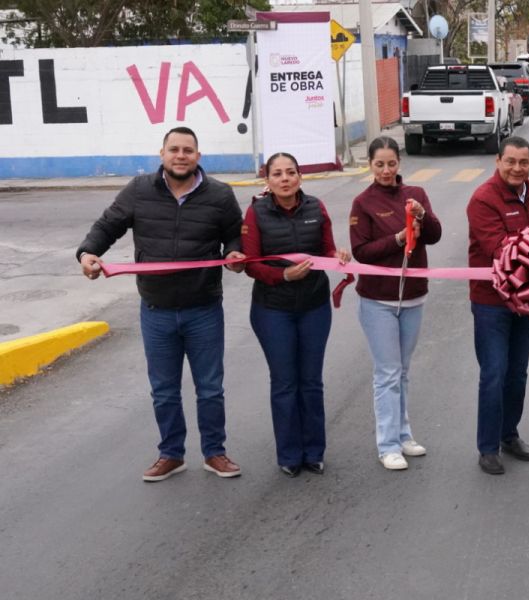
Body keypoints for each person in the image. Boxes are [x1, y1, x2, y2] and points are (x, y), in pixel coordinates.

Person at [77, 126, 246, 482]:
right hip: (156, 310)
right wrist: (89, 252)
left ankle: (215, 452)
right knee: (164, 390)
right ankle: (171, 453)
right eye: (174, 149)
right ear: (162, 154)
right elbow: (109, 225)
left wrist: (233, 252)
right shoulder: (139, 190)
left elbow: (235, 233)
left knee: (211, 387)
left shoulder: (219, 194)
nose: (180, 155)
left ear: (198, 157)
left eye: (188, 150)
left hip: (204, 309)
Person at [242, 152, 350, 477]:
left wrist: (338, 255)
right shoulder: (256, 212)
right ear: (268, 180)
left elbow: (328, 248)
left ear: (300, 177)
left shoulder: (317, 208)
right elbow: (251, 264)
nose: (285, 179)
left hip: (314, 306)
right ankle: (289, 455)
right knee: (285, 383)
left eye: (291, 172)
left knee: (311, 382)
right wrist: (282, 277)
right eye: (278, 174)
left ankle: (314, 452)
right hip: (272, 309)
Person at [350, 136, 442, 471]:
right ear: (370, 165)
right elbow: (361, 252)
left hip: (413, 295)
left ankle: (404, 435)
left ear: (399, 163)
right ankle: (387, 444)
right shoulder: (363, 202)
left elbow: (434, 234)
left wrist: (423, 217)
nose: (386, 170)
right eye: (379, 164)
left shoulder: (416, 195)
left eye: (391, 164)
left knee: (402, 371)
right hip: (378, 299)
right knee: (387, 373)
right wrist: (397, 240)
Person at [467, 136, 529, 475]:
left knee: (518, 373)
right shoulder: (483, 199)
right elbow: (500, 249)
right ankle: (487, 447)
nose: (517, 168)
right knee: (494, 373)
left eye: (523, 162)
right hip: (491, 302)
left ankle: (509, 434)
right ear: (498, 161)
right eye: (510, 161)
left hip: (526, 299)